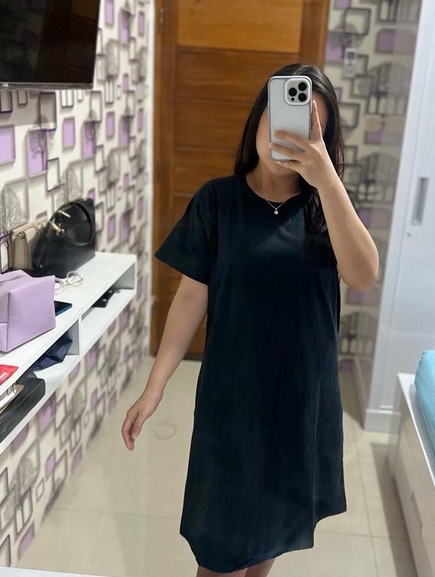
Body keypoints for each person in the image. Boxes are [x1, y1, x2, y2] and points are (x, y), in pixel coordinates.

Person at [121, 63, 379, 577]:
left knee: (266, 542)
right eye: (279, 117)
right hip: (232, 407)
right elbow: (191, 297)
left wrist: (327, 180)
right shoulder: (217, 201)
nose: (287, 134)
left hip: (299, 406)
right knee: (220, 554)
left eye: (308, 128)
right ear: (259, 118)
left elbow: (363, 275)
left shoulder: (323, 208)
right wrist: (155, 386)